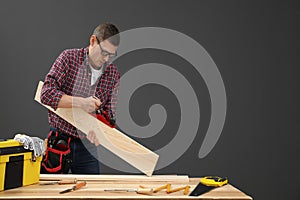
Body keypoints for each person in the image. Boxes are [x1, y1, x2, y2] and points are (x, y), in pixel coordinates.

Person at [40, 23, 120, 174]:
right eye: (104, 52)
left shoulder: (113, 74)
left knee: (91, 194)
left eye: (111, 55)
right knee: (48, 192)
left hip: (87, 147)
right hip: (59, 141)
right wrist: (81, 103)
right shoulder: (69, 59)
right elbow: (46, 94)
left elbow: (109, 116)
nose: (106, 59)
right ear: (92, 41)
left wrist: (99, 131)